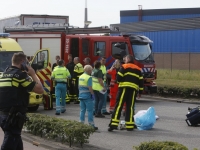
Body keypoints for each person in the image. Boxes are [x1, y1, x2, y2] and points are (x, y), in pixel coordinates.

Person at [0, 52, 44, 150]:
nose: (28, 65)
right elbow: (40, 90)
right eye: (27, 63)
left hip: (3, 114)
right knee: (11, 139)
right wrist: (33, 74)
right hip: (14, 115)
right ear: (22, 62)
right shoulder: (20, 75)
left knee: (16, 139)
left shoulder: (4, 74)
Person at [108, 55, 144, 131]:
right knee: (130, 107)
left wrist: (119, 80)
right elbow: (141, 82)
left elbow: (119, 78)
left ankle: (114, 124)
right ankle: (130, 125)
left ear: (128, 59)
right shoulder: (138, 69)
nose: (124, 60)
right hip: (133, 90)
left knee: (119, 106)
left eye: (125, 59)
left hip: (124, 88)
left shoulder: (124, 66)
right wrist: (140, 92)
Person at [79, 65, 98, 130]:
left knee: (82, 110)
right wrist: (92, 94)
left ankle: (81, 124)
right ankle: (91, 125)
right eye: (91, 70)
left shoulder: (80, 77)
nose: (91, 71)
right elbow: (90, 88)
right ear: (89, 70)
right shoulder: (89, 77)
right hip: (87, 96)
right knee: (90, 111)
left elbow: (79, 87)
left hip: (81, 95)